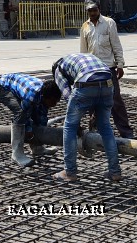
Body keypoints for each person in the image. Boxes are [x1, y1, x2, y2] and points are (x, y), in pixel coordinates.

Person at [51, 52, 121, 183]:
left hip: (86, 84)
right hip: (108, 84)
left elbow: (68, 95)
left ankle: (70, 172)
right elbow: (98, 82)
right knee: (105, 127)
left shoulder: (58, 70)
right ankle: (115, 172)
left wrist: (77, 122)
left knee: (69, 127)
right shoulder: (81, 58)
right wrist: (93, 112)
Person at [79, 0, 133, 138]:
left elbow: (116, 45)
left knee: (115, 101)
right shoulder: (85, 27)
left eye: (94, 10)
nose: (92, 13)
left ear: (99, 9)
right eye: (89, 11)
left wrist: (120, 64)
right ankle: (95, 132)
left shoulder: (109, 23)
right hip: (92, 71)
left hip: (108, 69)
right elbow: (83, 52)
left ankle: (126, 133)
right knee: (93, 101)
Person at [0, 72, 62, 166]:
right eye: (53, 101)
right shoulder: (31, 95)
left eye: (56, 101)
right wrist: (29, 130)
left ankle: (37, 148)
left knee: (38, 114)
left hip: (19, 86)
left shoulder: (46, 93)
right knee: (20, 113)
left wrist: (40, 133)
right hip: (3, 88)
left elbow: (42, 115)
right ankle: (17, 154)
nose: (54, 104)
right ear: (44, 97)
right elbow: (26, 114)